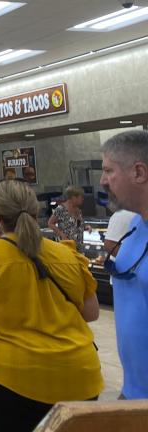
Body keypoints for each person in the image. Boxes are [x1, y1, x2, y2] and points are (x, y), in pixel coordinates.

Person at [0, 180, 102, 432]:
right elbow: (91, 313)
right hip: (79, 375)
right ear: (35, 212)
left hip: (10, 378)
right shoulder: (68, 255)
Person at [100, 130, 148, 399]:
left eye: (108, 171)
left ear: (138, 173)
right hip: (131, 391)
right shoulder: (134, 226)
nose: (102, 181)